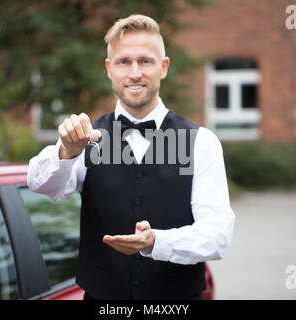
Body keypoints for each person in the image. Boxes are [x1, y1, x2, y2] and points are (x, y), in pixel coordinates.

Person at [27, 14, 235, 300]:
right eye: (124, 62)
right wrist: (65, 153)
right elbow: (40, 185)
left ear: (163, 67)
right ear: (109, 69)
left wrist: (157, 242)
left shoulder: (201, 142)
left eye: (145, 61)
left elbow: (217, 236)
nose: (135, 72)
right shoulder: (86, 138)